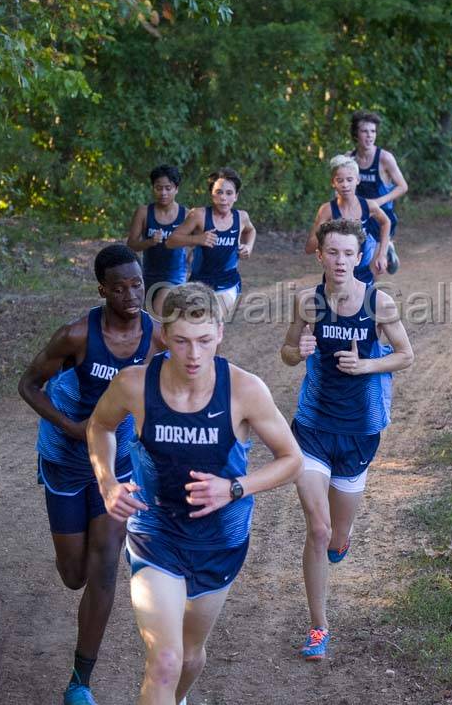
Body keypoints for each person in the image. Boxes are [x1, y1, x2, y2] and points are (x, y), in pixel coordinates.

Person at [88, 282, 302, 705]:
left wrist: (234, 488)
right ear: (164, 336)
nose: (193, 354)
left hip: (219, 541)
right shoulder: (135, 384)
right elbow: (100, 426)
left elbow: (291, 459)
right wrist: (108, 481)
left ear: (220, 333)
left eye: (204, 341)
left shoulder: (244, 389)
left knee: (188, 657)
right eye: (182, 341)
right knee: (164, 661)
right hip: (156, 532)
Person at [18, 243, 167, 705]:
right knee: (74, 574)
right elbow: (28, 384)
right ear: (102, 289)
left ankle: (80, 682)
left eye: (137, 284)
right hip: (65, 458)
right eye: (118, 287)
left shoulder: (157, 336)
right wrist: (73, 427)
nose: (130, 294)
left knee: (104, 567)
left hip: (118, 459)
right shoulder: (78, 335)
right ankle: (80, 676)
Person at [281, 219, 414, 661]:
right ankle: (318, 627)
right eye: (331, 253)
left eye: (347, 254)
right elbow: (285, 353)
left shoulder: (379, 303)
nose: (339, 261)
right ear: (319, 255)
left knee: (336, 536)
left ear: (359, 258)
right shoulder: (309, 302)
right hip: (312, 427)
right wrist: (295, 351)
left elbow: (405, 355)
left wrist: (367, 367)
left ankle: (344, 539)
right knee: (317, 530)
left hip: (359, 431)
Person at [166, 168, 256, 319]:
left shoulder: (241, 217)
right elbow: (170, 241)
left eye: (229, 193)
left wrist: (248, 246)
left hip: (228, 282)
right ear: (211, 194)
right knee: (198, 326)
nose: (223, 198)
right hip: (199, 282)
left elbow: (251, 230)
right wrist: (197, 239)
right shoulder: (198, 215)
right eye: (219, 192)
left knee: (213, 321)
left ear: (236, 196)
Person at [304, 155, 391, 284]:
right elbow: (309, 248)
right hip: (335, 274)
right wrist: (328, 230)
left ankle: (388, 248)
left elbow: (386, 222)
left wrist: (382, 254)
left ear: (358, 180)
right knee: (333, 303)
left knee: (366, 303)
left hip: (363, 272)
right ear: (333, 182)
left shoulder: (368, 206)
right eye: (340, 180)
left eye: (349, 179)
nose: (345, 185)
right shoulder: (327, 210)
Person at [349, 111, 408, 273]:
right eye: (364, 131)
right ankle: (386, 246)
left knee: (374, 268)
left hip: (382, 217)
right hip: (359, 217)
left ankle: (386, 247)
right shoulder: (349, 159)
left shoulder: (384, 158)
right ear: (356, 134)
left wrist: (378, 202)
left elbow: (403, 186)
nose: (369, 136)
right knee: (357, 262)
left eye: (373, 131)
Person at [127, 164, 189, 316]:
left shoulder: (186, 214)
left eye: (168, 188)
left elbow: (200, 240)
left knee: (158, 310)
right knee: (147, 318)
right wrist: (150, 242)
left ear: (176, 189)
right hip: (148, 274)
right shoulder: (144, 212)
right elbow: (131, 245)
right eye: (158, 188)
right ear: (153, 188)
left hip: (174, 275)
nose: (163, 193)